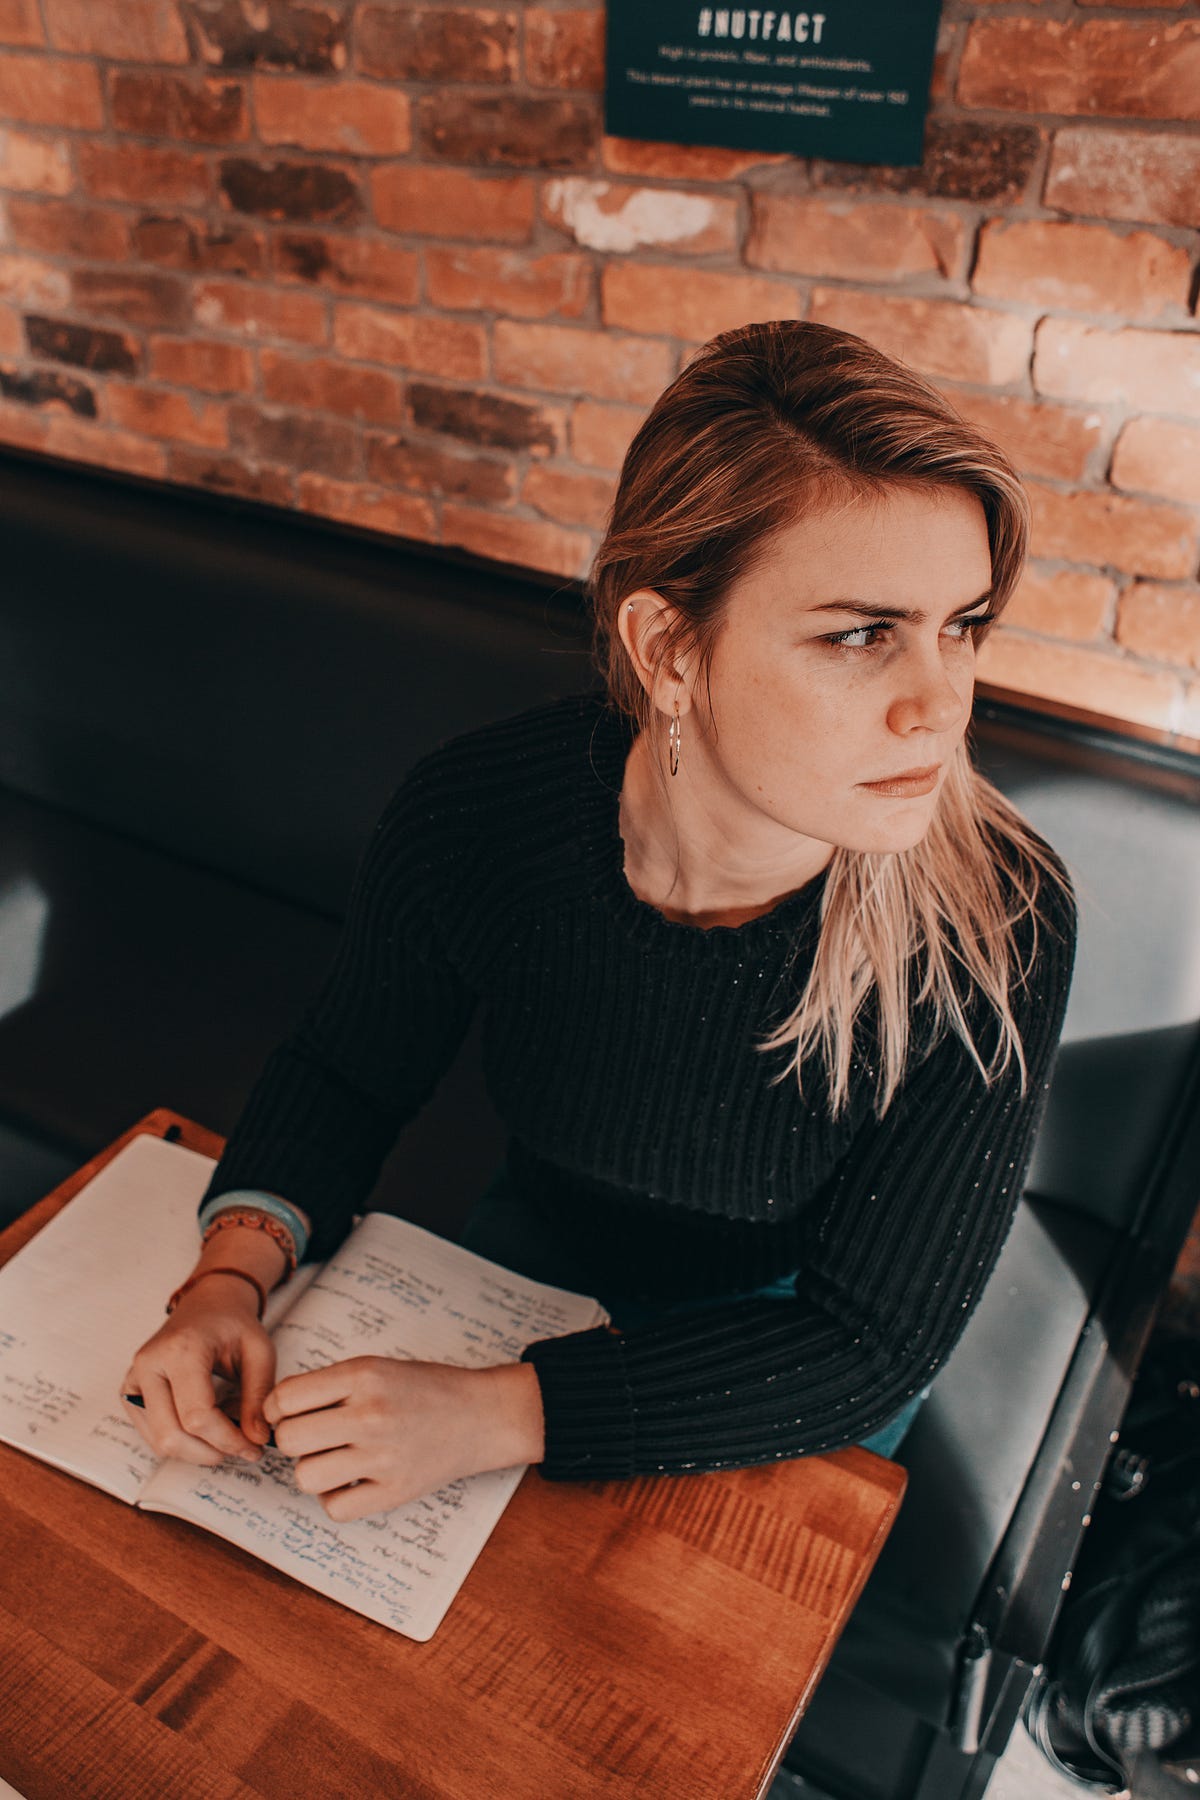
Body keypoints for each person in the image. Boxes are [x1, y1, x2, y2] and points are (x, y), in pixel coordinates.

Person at [124, 319, 1076, 1524]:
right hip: (521, 1267)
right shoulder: (480, 815)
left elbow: (869, 1344)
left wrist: (502, 1411)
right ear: (670, 647)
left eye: (964, 626)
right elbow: (347, 1070)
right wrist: (225, 1279)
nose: (940, 707)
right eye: (860, 634)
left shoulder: (1002, 924)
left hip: (791, 1367)